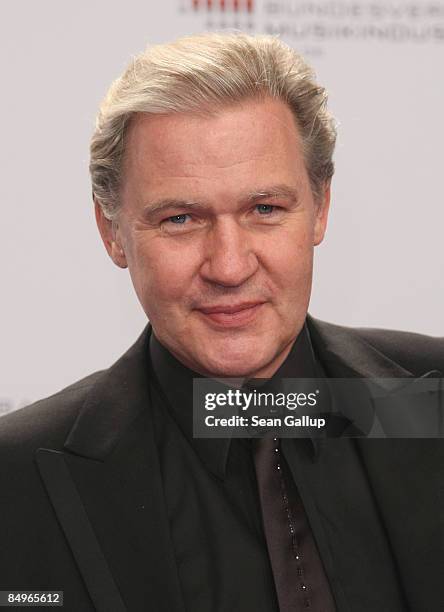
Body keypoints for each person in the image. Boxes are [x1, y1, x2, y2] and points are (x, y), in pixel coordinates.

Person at [0, 32, 443, 612]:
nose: (230, 267)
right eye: (181, 218)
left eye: (265, 209)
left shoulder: (431, 399)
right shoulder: (16, 481)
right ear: (112, 231)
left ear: (321, 207)